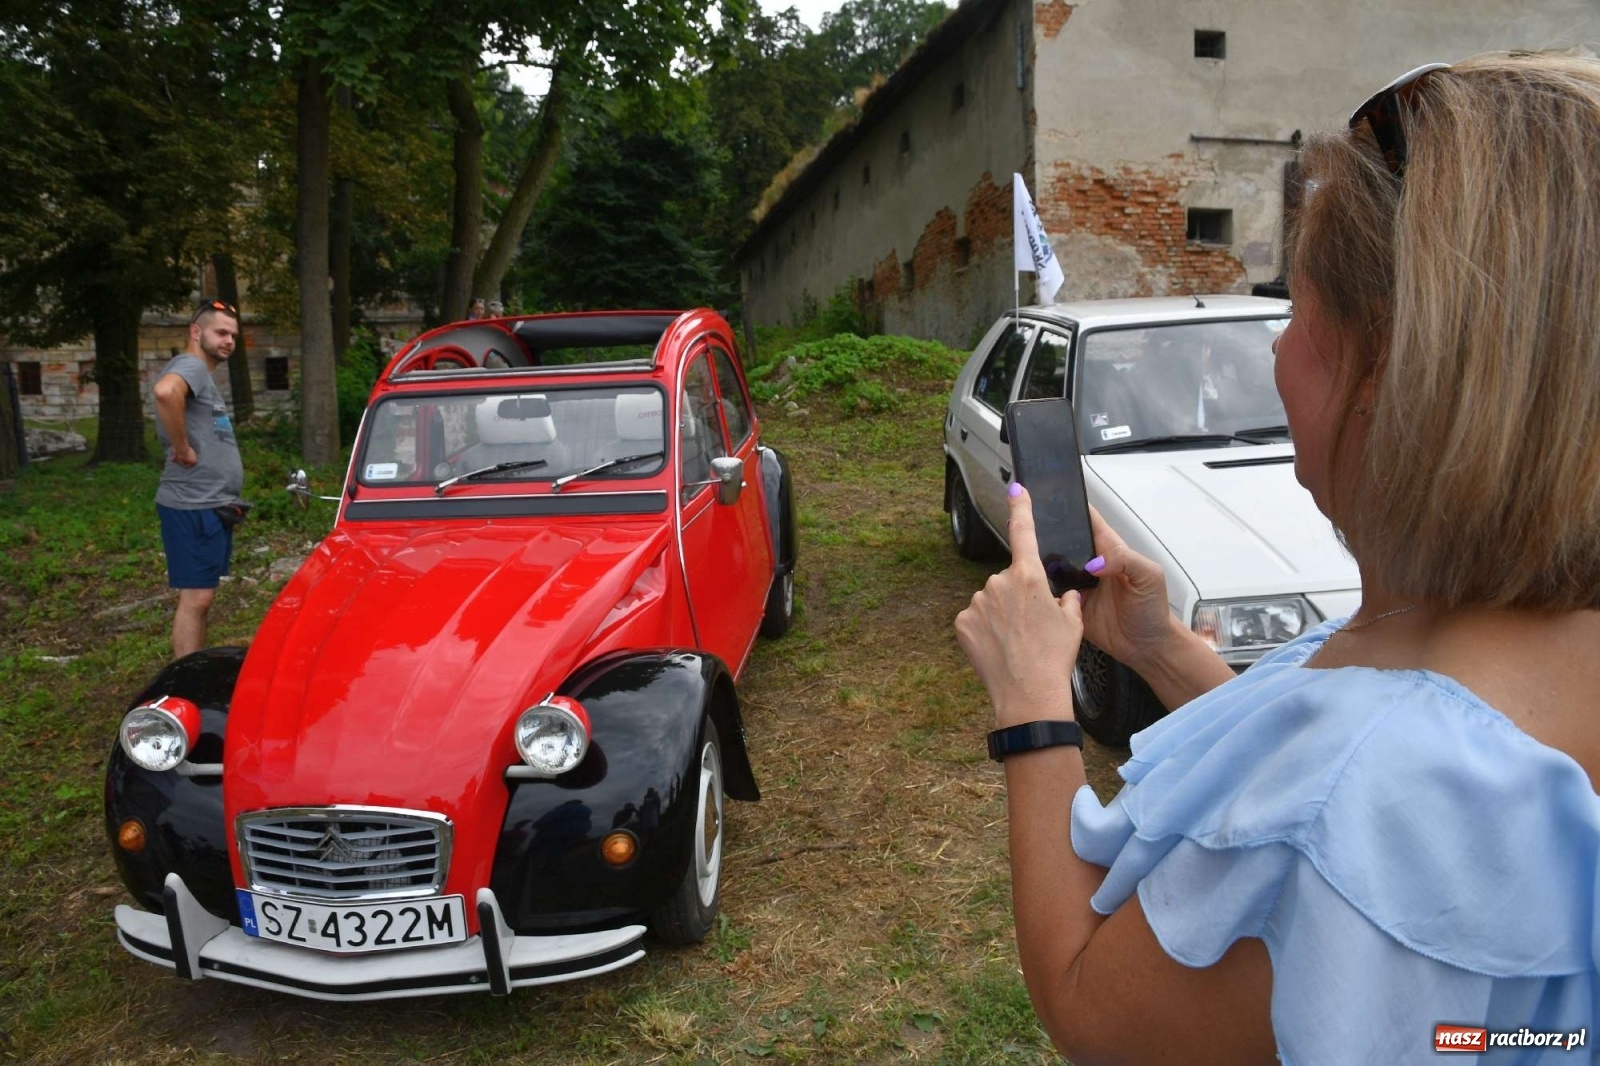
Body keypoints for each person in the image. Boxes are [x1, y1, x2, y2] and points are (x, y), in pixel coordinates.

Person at [956, 54, 1600, 1065]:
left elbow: (1090, 1008)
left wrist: (1032, 703)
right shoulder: (1507, 639)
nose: (1274, 352)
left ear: (1388, 365)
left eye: (1294, 313)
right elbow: (1315, 785)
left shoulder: (1363, 785)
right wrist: (1167, 654)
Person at [153, 299, 245, 660]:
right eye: (221, 332)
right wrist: (183, 447)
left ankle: (191, 670)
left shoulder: (201, 374)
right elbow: (165, 393)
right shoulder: (190, 365)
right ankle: (181, 684)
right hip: (192, 502)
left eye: (233, 336)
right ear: (196, 331)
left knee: (201, 598)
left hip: (210, 503)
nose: (229, 342)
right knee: (196, 599)